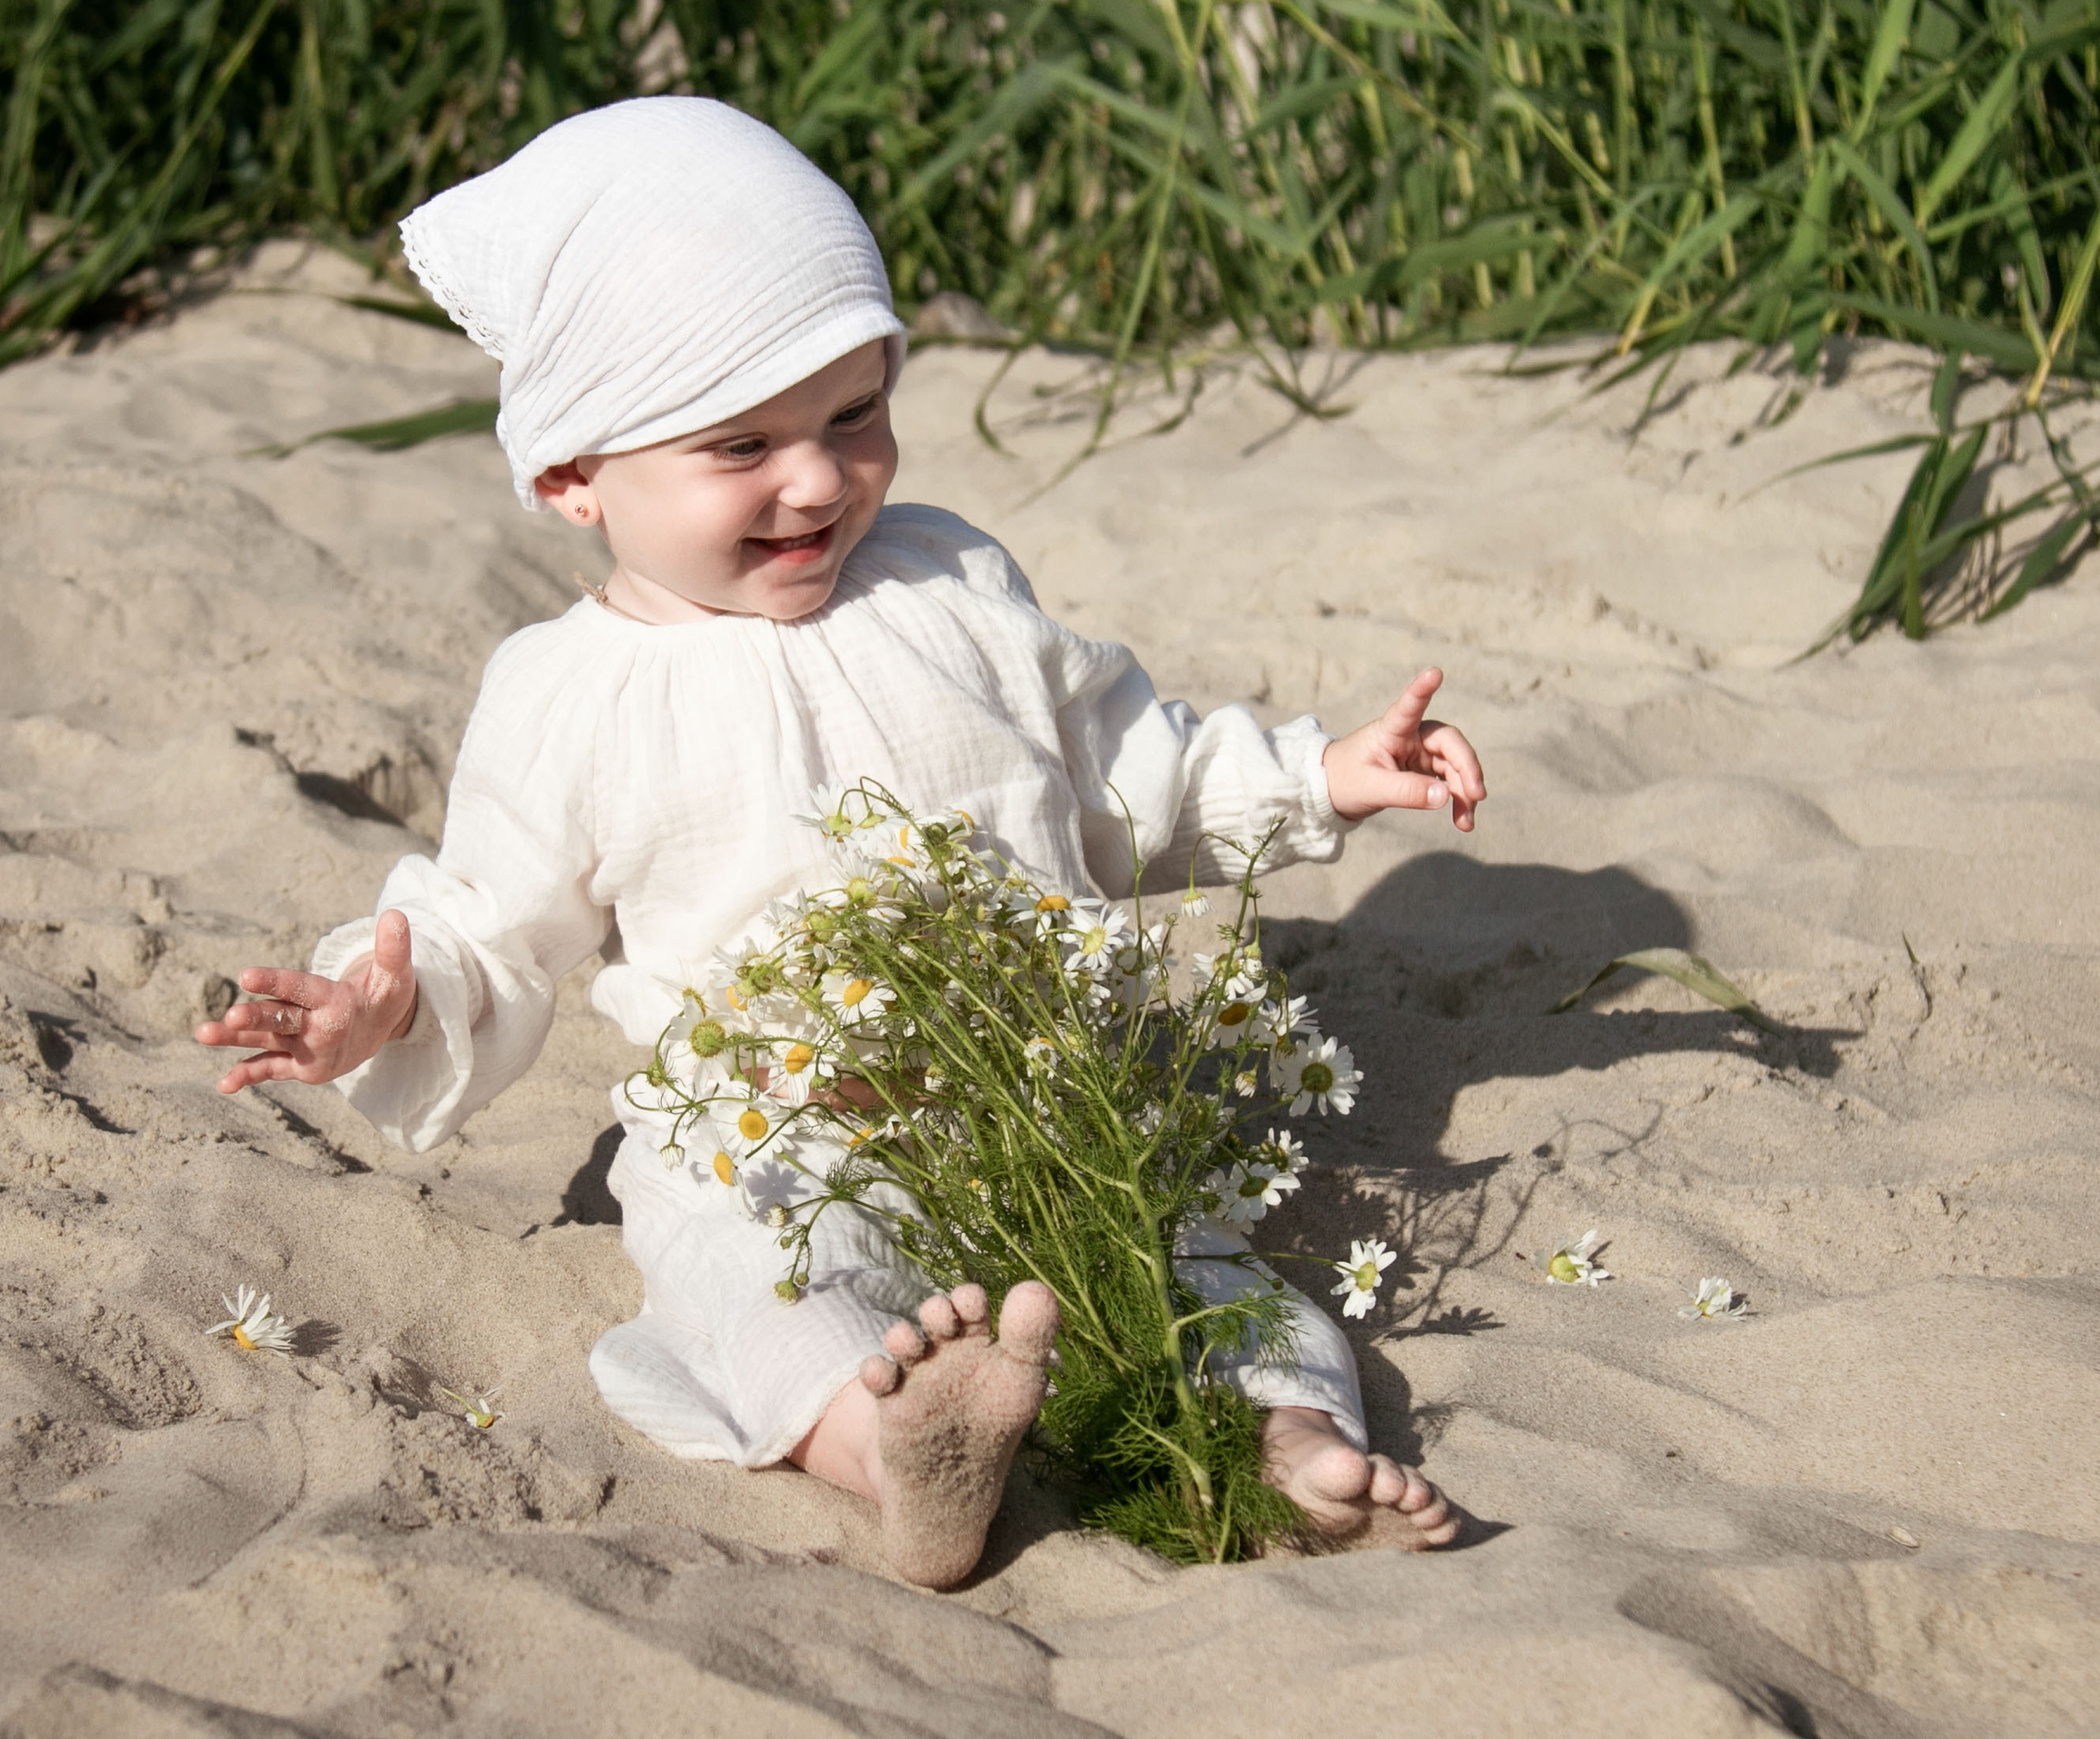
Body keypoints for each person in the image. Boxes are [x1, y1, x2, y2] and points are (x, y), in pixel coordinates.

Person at [196, 98, 1484, 1589]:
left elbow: (1119, 778)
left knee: (1210, 1282)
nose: (817, 481)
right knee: (760, 1304)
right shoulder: (571, 696)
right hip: (780, 1148)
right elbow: (490, 924)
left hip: (1043, 1106)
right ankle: (905, 1457)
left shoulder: (947, 582)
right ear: (573, 477)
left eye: (854, 414)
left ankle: (1297, 1448)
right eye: (741, 444)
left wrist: (1321, 777)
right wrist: (387, 996)